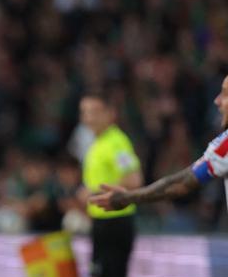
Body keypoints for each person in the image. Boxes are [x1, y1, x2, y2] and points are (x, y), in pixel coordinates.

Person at [91, 74, 228, 243]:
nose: (217, 101)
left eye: (225, 94)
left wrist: (127, 198)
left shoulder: (225, 146)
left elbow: (182, 183)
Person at [79, 94, 145, 277]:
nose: (88, 118)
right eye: (84, 112)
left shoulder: (117, 142)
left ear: (110, 112)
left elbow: (133, 179)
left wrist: (96, 193)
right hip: (101, 224)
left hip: (116, 224)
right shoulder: (97, 144)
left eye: (94, 111)